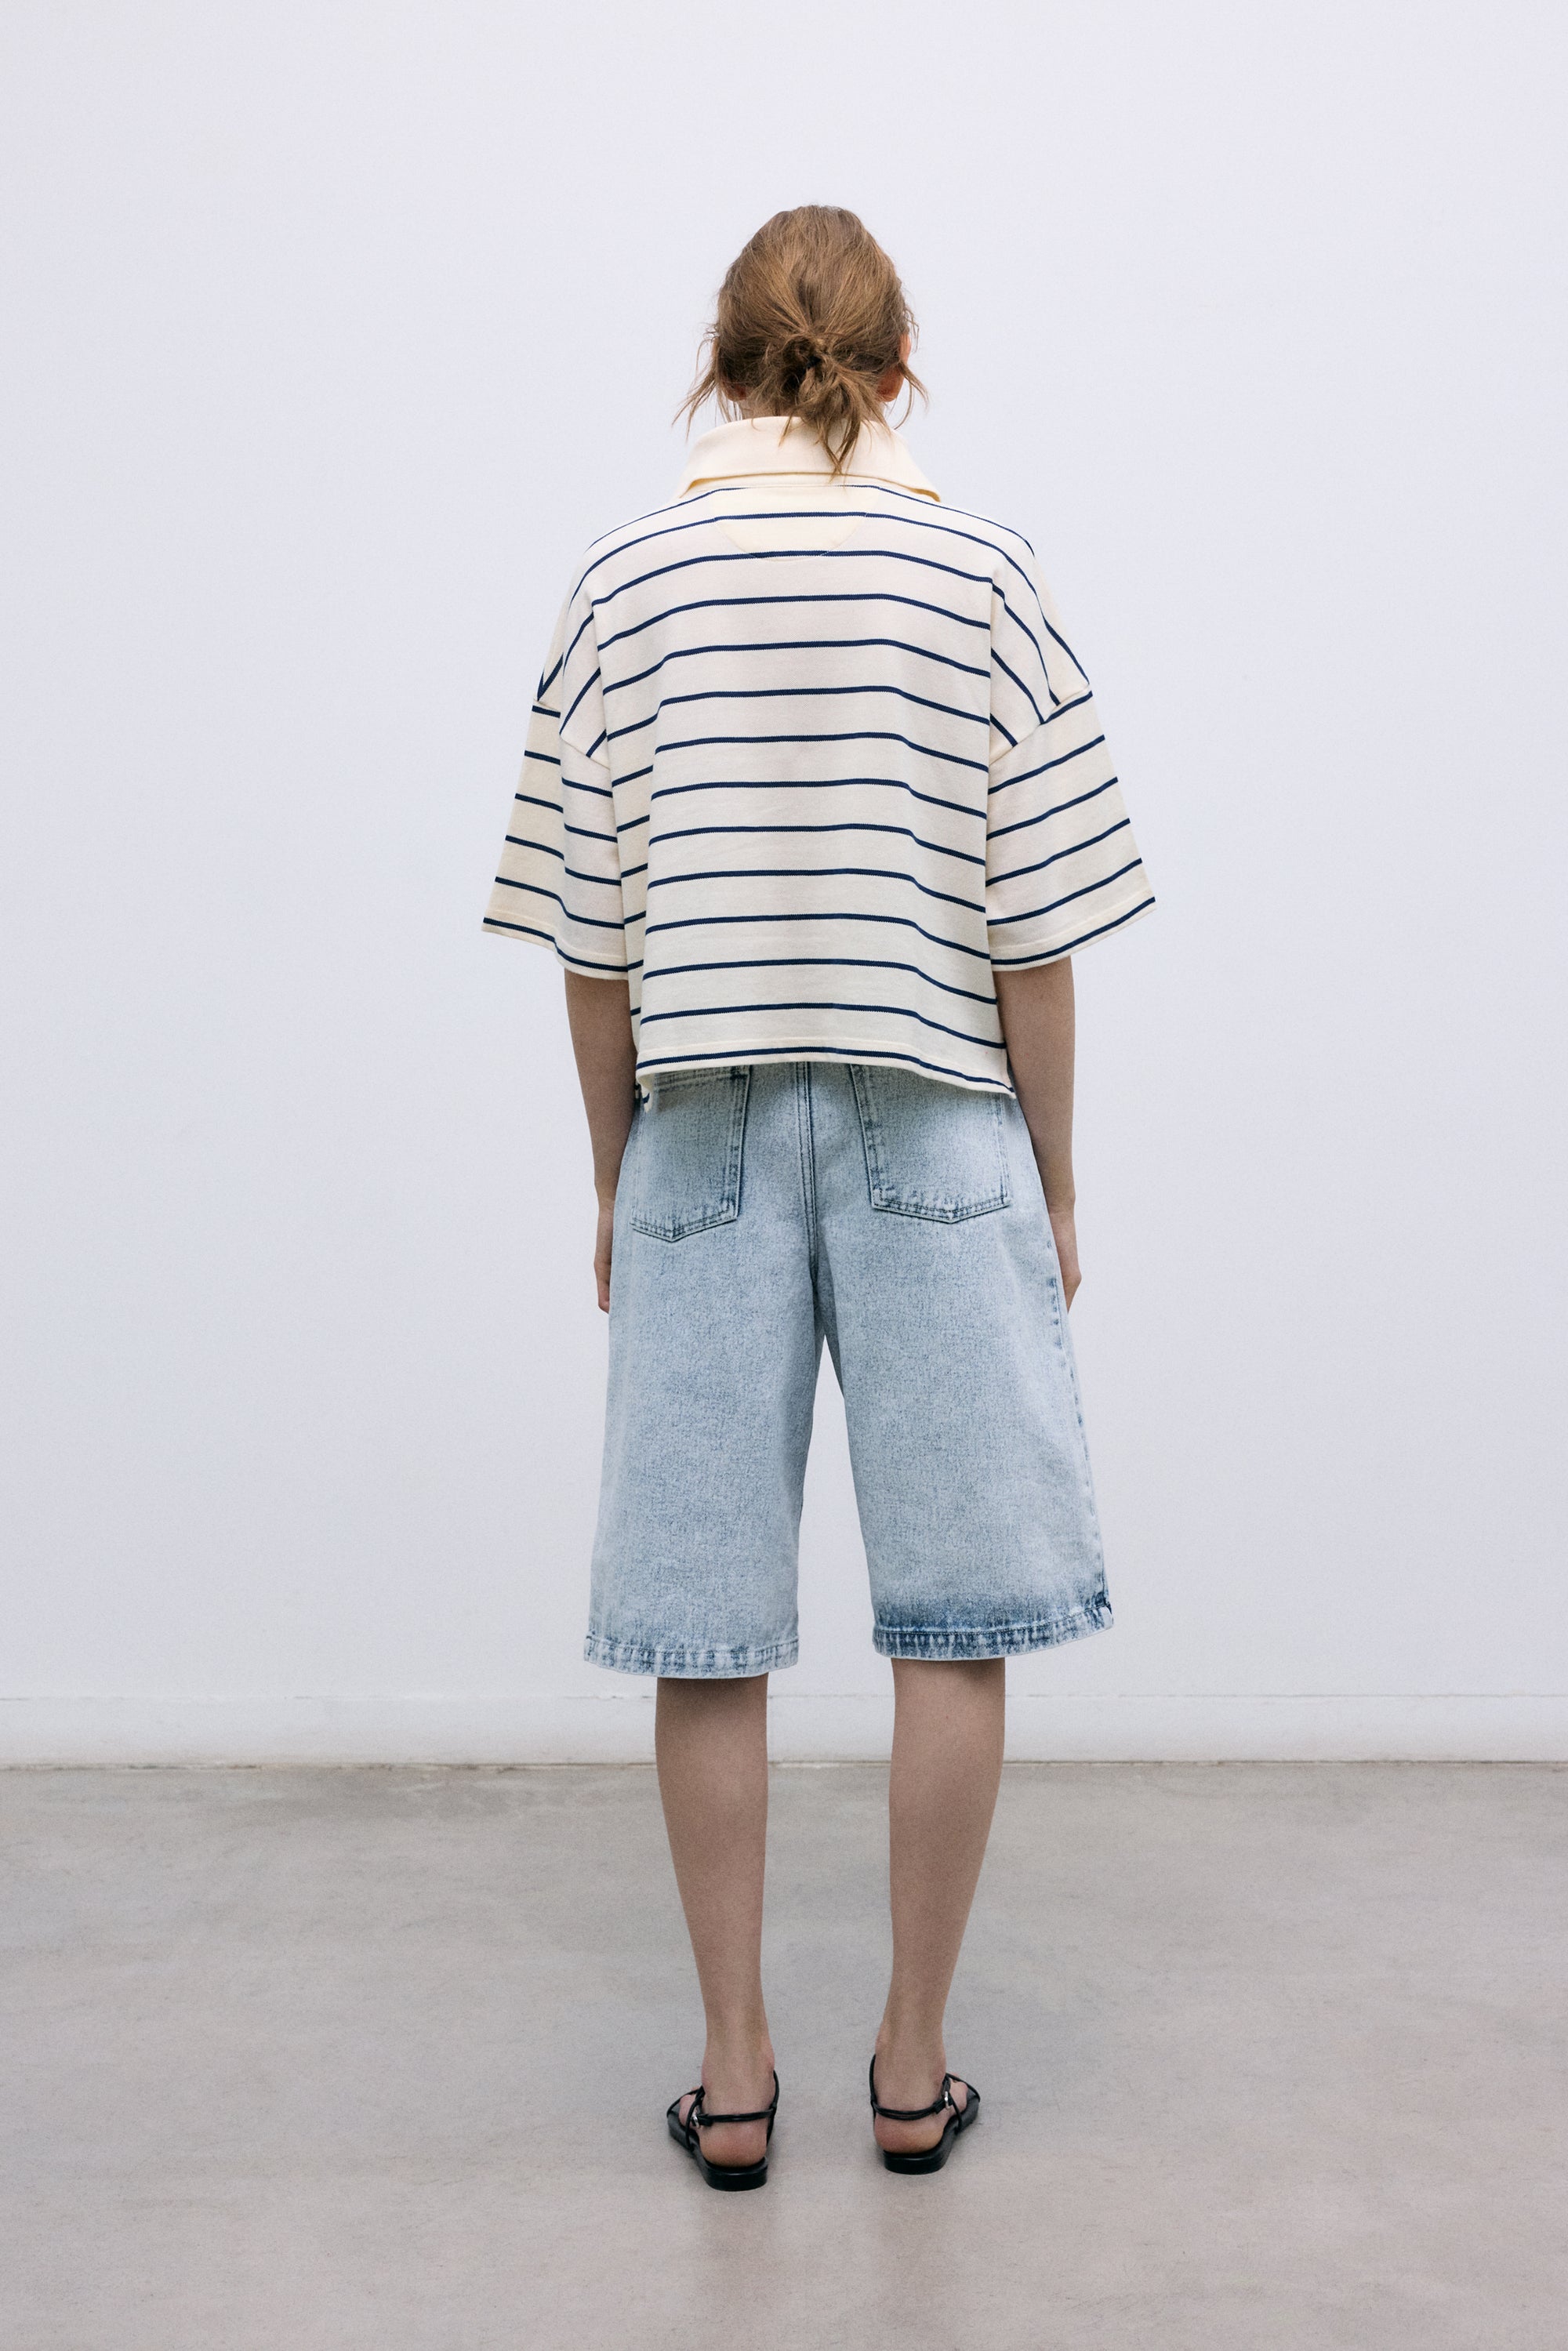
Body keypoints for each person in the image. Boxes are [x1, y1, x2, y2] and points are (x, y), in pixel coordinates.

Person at [485, 205, 1152, 2187]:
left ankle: (734, 2079)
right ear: (897, 360)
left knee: (707, 1632)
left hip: (693, 1121)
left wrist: (611, 1179)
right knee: (955, 1616)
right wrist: (1055, 1178)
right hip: (937, 1118)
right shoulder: (983, 572)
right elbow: (1036, 937)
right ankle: (910, 2069)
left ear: (718, 362)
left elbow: (590, 949)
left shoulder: (623, 582)